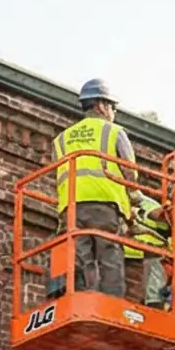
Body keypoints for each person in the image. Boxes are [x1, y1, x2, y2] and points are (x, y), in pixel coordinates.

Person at [52, 78, 135, 295]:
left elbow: (57, 173)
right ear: (100, 105)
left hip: (70, 207)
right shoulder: (114, 131)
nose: (114, 112)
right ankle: (112, 301)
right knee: (109, 254)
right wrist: (132, 200)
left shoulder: (61, 139)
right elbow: (130, 172)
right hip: (104, 202)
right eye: (112, 107)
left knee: (80, 255)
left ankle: (81, 296)